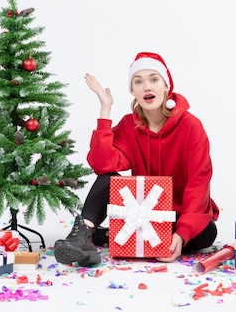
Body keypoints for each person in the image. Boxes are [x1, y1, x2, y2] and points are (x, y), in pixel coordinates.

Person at [53, 51, 220, 267]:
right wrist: (105, 110)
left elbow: (199, 183)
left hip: (178, 215)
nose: (147, 87)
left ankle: (109, 237)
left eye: (154, 79)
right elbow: (102, 164)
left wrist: (181, 236)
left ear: (166, 86)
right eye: (138, 82)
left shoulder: (191, 127)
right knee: (108, 178)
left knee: (206, 233)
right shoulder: (129, 125)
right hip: (141, 211)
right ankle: (83, 234)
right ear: (132, 91)